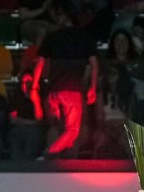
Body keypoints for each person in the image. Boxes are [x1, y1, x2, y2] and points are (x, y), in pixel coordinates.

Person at [34, 2, 97, 156]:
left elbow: (39, 64)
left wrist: (34, 87)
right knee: (73, 130)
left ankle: (51, 159)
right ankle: (50, 154)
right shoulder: (85, 37)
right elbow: (94, 65)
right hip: (72, 91)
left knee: (56, 128)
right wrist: (93, 88)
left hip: (53, 92)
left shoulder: (52, 37)